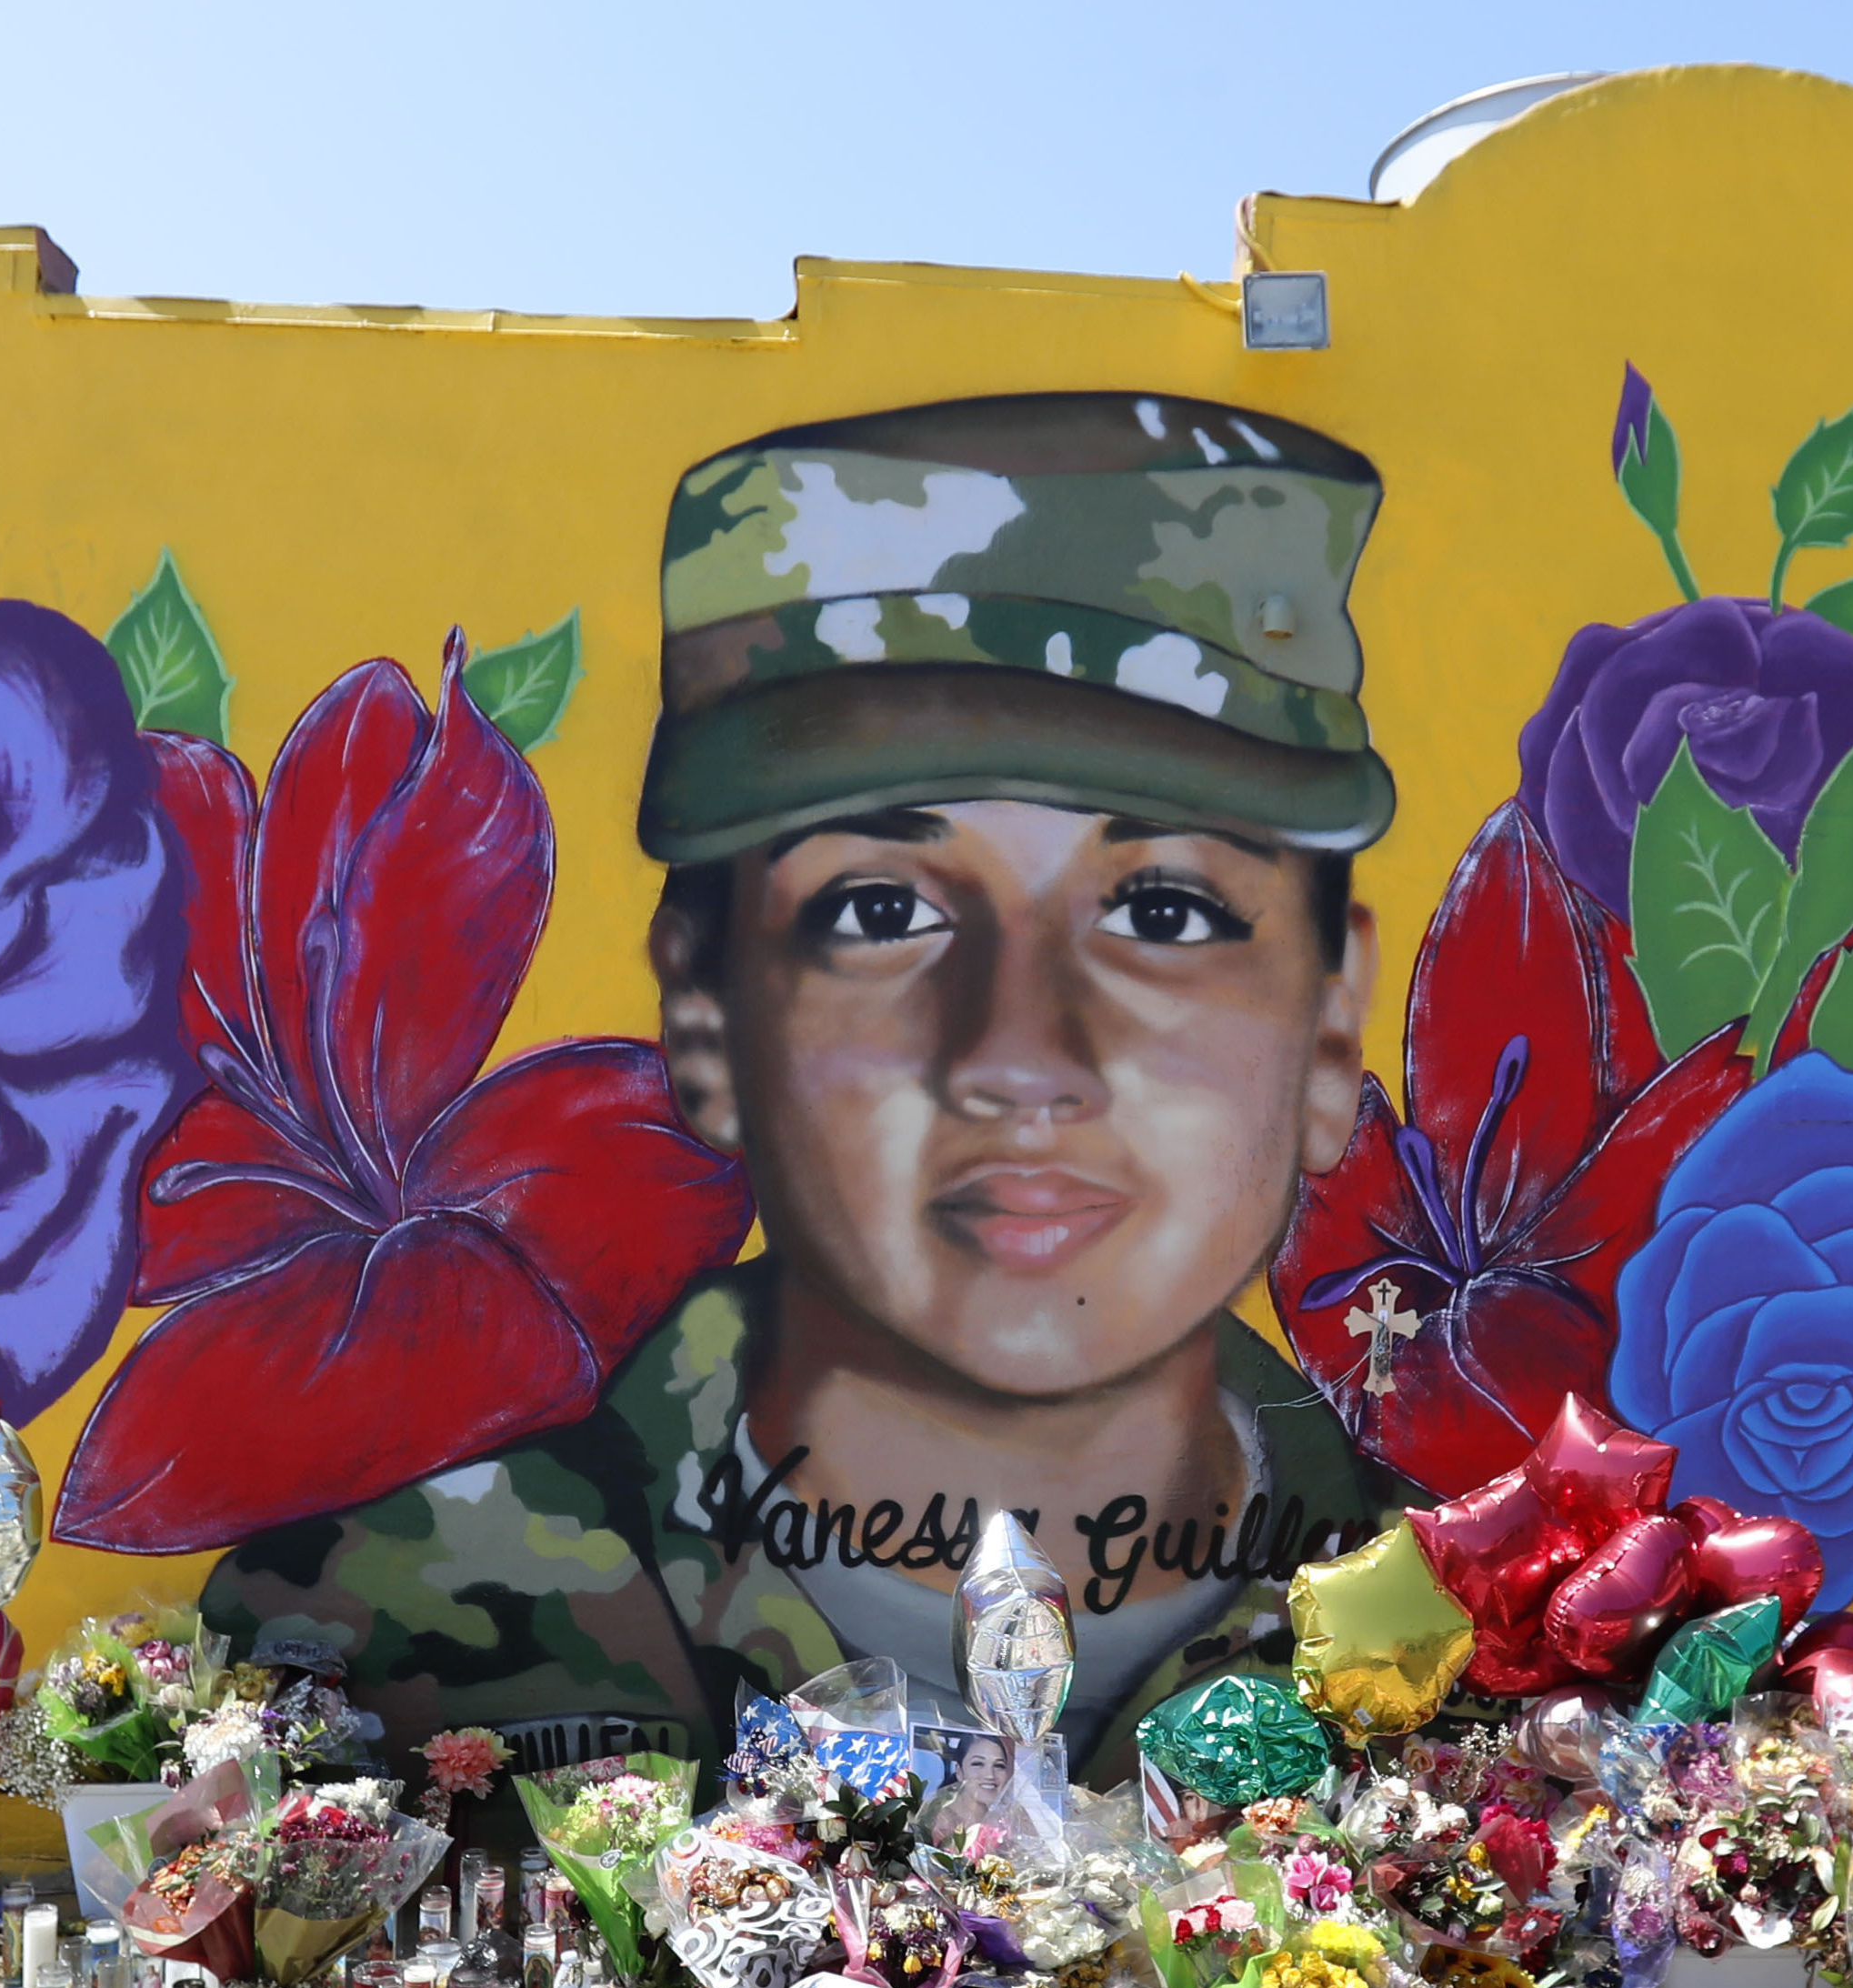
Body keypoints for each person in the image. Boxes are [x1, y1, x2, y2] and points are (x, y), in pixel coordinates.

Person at [207, 391, 1414, 1788]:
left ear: (1330, 1032)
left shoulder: (1474, 1644)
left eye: (1162, 910)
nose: (1019, 1056)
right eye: (878, 907)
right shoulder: (365, 1641)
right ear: (707, 1017)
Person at [926, 1732, 1018, 1843]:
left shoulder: (1012, 1819)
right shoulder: (940, 1822)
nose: (990, 1775)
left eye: (999, 1766)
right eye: (978, 1764)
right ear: (959, 1771)